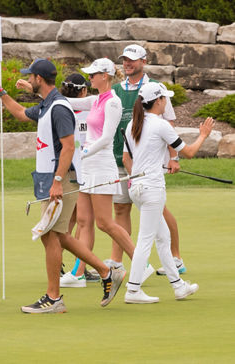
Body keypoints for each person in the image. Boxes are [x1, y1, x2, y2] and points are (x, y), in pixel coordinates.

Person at [0, 58, 124, 314]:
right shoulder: (46, 105)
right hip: (48, 179)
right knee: (59, 235)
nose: (28, 80)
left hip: (60, 179)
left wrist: (58, 181)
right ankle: (107, 272)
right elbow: (20, 113)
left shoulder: (59, 107)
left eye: (30, 77)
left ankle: (54, 298)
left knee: (49, 235)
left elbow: (69, 146)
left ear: (39, 79)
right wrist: (1, 93)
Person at [123, 82, 214, 303]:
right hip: (152, 188)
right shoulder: (160, 125)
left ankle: (178, 286)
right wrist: (203, 135)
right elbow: (190, 152)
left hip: (137, 187)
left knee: (162, 238)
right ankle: (133, 290)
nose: (167, 102)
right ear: (158, 101)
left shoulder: (133, 124)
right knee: (146, 240)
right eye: (165, 98)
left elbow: (128, 159)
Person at [59, 58, 141, 288]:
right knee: (84, 220)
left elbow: (106, 138)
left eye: (93, 74)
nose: (90, 77)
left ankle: (140, 264)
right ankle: (77, 274)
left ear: (105, 75)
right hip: (89, 166)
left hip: (102, 165)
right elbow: (64, 101)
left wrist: (83, 151)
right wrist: (38, 90)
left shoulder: (112, 102)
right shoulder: (96, 100)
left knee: (105, 223)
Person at [110, 44, 186, 276]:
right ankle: (116, 261)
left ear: (144, 61)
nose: (127, 63)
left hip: (150, 160)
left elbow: (169, 123)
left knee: (158, 209)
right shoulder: (115, 89)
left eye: (132, 59)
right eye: (124, 59)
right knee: (121, 208)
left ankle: (176, 258)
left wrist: (174, 157)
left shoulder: (156, 89)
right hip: (120, 156)